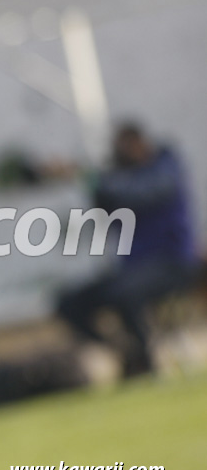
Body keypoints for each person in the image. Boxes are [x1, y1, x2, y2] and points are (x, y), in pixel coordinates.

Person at [55, 122, 200, 377]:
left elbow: (141, 193)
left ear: (140, 144)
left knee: (124, 292)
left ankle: (147, 360)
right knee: (68, 303)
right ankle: (125, 352)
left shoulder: (164, 169)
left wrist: (93, 177)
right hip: (132, 270)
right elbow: (107, 211)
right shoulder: (120, 179)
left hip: (172, 264)